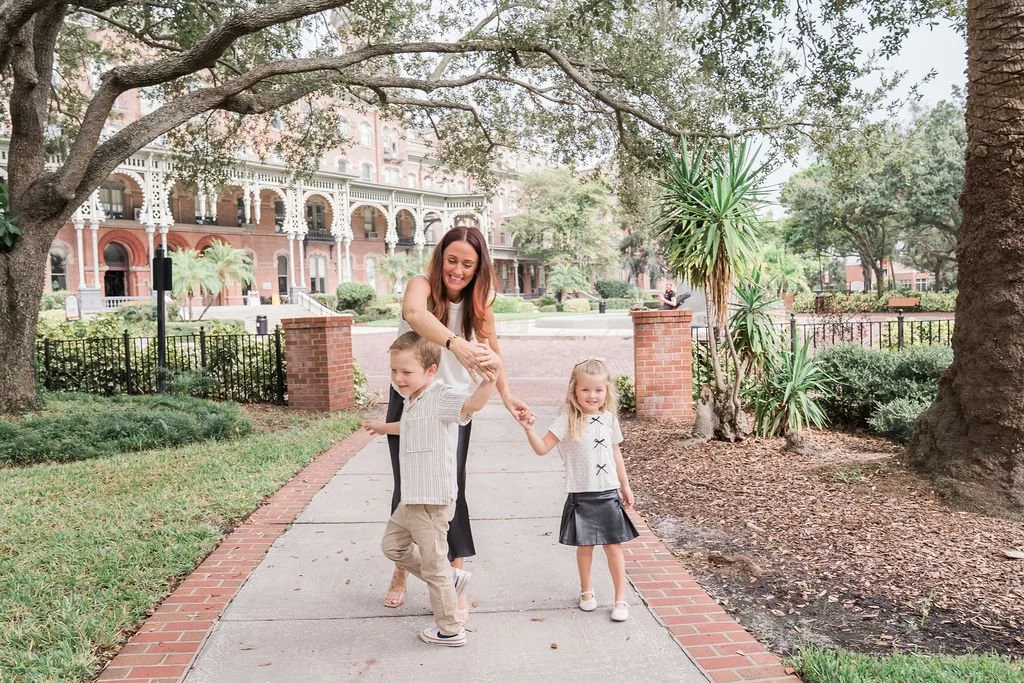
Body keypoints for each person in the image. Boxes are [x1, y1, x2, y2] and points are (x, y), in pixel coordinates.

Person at [382, 226, 532, 619]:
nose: (458, 270)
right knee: (409, 491)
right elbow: (414, 315)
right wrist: (456, 344)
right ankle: (401, 571)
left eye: (468, 264)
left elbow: (493, 351)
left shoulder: (480, 302)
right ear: (440, 258)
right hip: (410, 405)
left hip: (452, 410)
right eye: (452, 260)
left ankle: (454, 578)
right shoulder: (421, 287)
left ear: (479, 266)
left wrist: (507, 393)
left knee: (451, 492)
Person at [364, 331, 498, 647]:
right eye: (394, 371)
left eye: (406, 372)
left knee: (434, 562)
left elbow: (473, 404)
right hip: (411, 498)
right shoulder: (413, 400)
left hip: (432, 500)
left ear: (430, 371)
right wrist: (382, 427)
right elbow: (411, 427)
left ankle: (450, 629)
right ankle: (449, 580)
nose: (399, 378)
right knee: (392, 547)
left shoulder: (442, 396)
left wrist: (490, 379)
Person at [514, 357, 639, 622]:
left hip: (608, 493)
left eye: (598, 390)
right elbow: (541, 448)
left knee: (614, 547)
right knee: (585, 547)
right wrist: (528, 429)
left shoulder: (609, 419)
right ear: (574, 391)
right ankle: (586, 592)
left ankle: (620, 598)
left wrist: (625, 486)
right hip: (582, 494)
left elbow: (616, 453)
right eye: (585, 389)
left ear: (606, 392)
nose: (592, 395)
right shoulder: (567, 419)